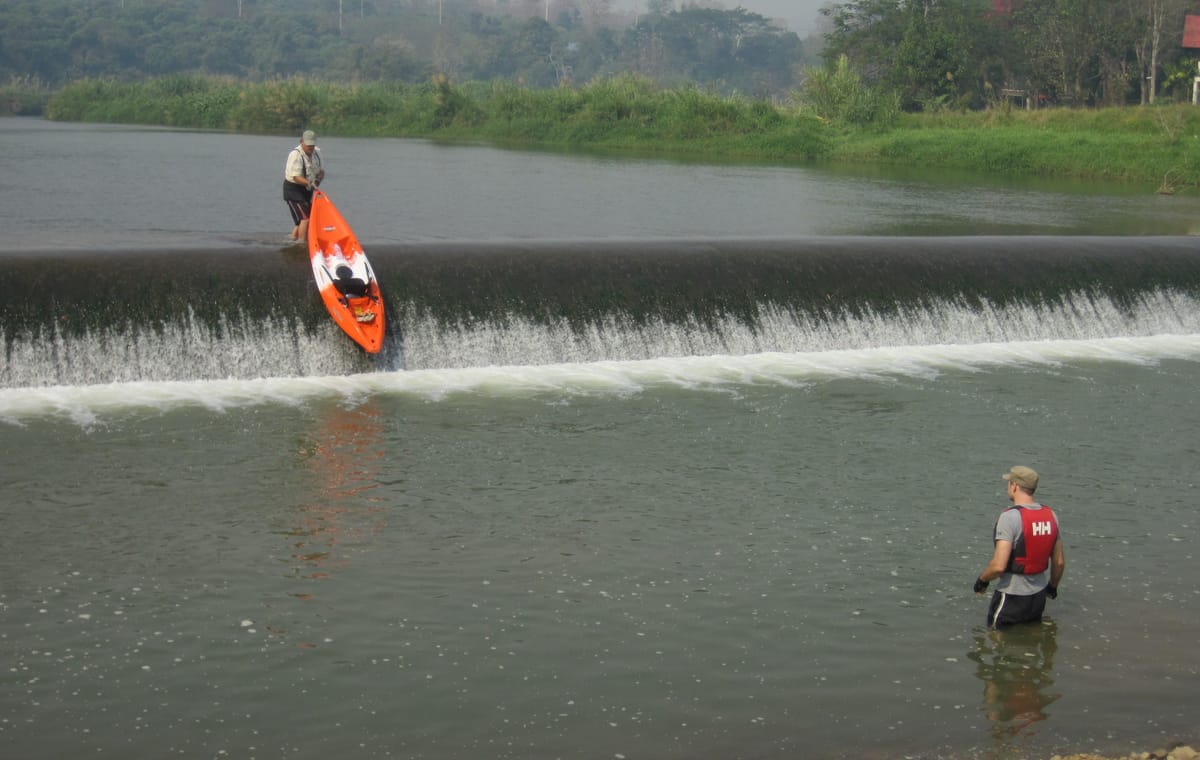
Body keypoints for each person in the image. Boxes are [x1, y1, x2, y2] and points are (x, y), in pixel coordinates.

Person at [973, 466, 1065, 628]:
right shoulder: (1051, 515)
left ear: (1014, 486)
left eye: (1009, 483)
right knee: (1029, 646)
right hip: (1038, 598)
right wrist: (1052, 587)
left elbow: (999, 566)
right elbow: (1059, 562)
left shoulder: (1010, 517)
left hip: (1011, 597)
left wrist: (982, 581)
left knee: (997, 641)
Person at [283, 129, 325, 241]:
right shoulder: (295, 155)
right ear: (301, 142)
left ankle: (292, 240)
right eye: (308, 145)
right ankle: (302, 244)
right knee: (305, 219)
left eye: (312, 145)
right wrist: (309, 183)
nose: (310, 148)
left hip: (307, 189)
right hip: (293, 189)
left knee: (303, 220)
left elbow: (321, 172)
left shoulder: (317, 153)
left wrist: (317, 182)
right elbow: (296, 177)